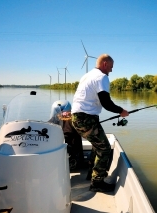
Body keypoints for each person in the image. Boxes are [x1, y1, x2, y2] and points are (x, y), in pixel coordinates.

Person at [71, 54, 129, 193]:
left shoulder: (87, 75)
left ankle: (92, 174)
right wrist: (121, 111)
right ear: (104, 64)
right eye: (110, 67)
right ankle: (97, 183)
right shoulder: (102, 77)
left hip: (78, 117)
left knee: (97, 145)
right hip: (86, 118)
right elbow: (106, 103)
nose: (111, 70)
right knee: (104, 149)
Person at [49, 100, 84, 170]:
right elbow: (46, 126)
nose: (57, 114)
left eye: (58, 111)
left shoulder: (70, 121)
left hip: (72, 155)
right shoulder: (54, 119)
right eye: (56, 112)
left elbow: (67, 136)